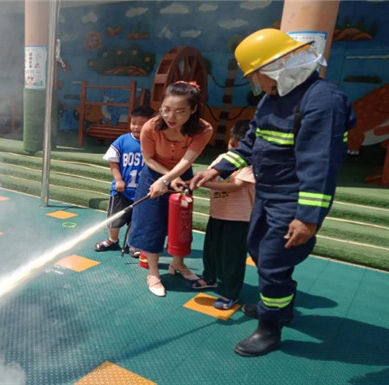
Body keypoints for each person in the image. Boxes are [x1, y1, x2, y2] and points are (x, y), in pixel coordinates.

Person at [190, 28, 356, 356]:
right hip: (268, 193)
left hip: (294, 199)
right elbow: (252, 143)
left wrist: (308, 218)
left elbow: (319, 166)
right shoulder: (273, 97)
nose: (257, 84)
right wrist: (217, 168)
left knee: (273, 260)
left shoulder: (323, 101)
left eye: (257, 76)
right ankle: (280, 307)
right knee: (258, 248)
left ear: (277, 68)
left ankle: (270, 328)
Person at [128, 81, 213, 297]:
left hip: (181, 175)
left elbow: (187, 161)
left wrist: (170, 179)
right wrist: (165, 179)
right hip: (153, 175)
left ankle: (178, 264)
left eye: (180, 111)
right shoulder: (151, 127)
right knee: (151, 224)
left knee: (180, 224)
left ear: (193, 110)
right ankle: (154, 274)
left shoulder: (203, 129)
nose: (171, 117)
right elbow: (148, 158)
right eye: (166, 109)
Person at [187, 121, 254, 310]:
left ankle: (231, 292)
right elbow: (210, 175)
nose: (234, 151)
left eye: (239, 148)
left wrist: (203, 184)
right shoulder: (222, 159)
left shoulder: (251, 161)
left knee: (231, 256)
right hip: (218, 213)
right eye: (232, 145)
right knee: (211, 249)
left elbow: (236, 185)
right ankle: (210, 277)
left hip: (239, 218)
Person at [95, 105, 155, 254]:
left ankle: (133, 245)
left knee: (137, 221)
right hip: (122, 190)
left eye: (141, 124)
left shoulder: (153, 143)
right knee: (115, 219)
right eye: (134, 122)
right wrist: (119, 179)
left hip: (143, 192)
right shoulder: (122, 140)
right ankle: (112, 240)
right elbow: (112, 161)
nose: (136, 127)